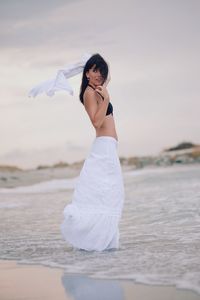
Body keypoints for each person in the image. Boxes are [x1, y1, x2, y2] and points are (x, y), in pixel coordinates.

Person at [60, 53, 125, 251]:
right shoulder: (90, 93)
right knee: (110, 194)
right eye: (94, 70)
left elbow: (109, 76)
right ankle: (95, 242)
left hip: (108, 147)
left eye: (101, 71)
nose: (99, 75)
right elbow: (96, 122)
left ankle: (103, 243)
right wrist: (107, 99)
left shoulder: (99, 89)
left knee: (110, 194)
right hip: (103, 147)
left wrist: (94, 60)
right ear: (87, 73)